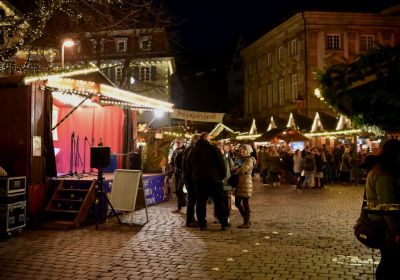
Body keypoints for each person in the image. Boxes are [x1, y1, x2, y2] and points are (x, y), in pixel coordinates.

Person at [365, 139, 400, 279]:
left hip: (384, 225)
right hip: (385, 226)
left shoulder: (380, 170)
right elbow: (387, 206)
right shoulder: (383, 174)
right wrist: (396, 230)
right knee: (390, 262)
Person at [188, 132, 229, 231]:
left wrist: (194, 177)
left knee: (201, 203)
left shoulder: (193, 151)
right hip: (214, 180)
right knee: (219, 202)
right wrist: (221, 177)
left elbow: (188, 166)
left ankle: (202, 224)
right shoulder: (213, 149)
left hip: (199, 180)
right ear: (208, 139)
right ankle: (224, 223)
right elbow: (222, 164)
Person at [233, 144, 256, 229]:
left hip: (245, 183)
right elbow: (234, 168)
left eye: (244, 150)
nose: (242, 151)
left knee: (245, 203)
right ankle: (246, 219)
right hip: (241, 183)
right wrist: (236, 169)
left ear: (248, 151)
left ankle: (246, 222)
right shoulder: (242, 159)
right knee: (237, 203)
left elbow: (242, 170)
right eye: (241, 150)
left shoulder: (249, 160)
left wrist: (236, 169)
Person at [182, 133, 200, 227]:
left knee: (191, 198)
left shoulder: (187, 149)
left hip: (187, 176)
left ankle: (191, 219)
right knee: (192, 199)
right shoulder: (192, 150)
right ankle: (190, 220)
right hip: (190, 177)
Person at [169, 137, 187, 213]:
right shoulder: (175, 151)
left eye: (178, 142)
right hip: (176, 173)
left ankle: (184, 204)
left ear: (182, 143)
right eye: (176, 142)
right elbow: (172, 161)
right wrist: (173, 168)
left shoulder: (186, 151)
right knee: (177, 190)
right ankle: (179, 207)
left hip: (183, 173)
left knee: (179, 190)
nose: (177, 144)